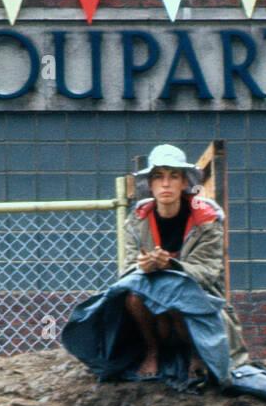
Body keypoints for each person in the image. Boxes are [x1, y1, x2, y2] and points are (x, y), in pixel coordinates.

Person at [62, 144, 253, 390]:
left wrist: (171, 265)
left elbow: (207, 272)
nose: (166, 184)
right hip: (154, 309)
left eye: (174, 176)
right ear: (150, 185)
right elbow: (127, 272)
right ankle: (151, 351)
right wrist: (143, 267)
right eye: (159, 177)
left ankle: (197, 354)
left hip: (197, 306)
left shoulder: (206, 220)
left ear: (184, 183)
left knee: (177, 292)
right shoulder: (137, 220)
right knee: (131, 297)